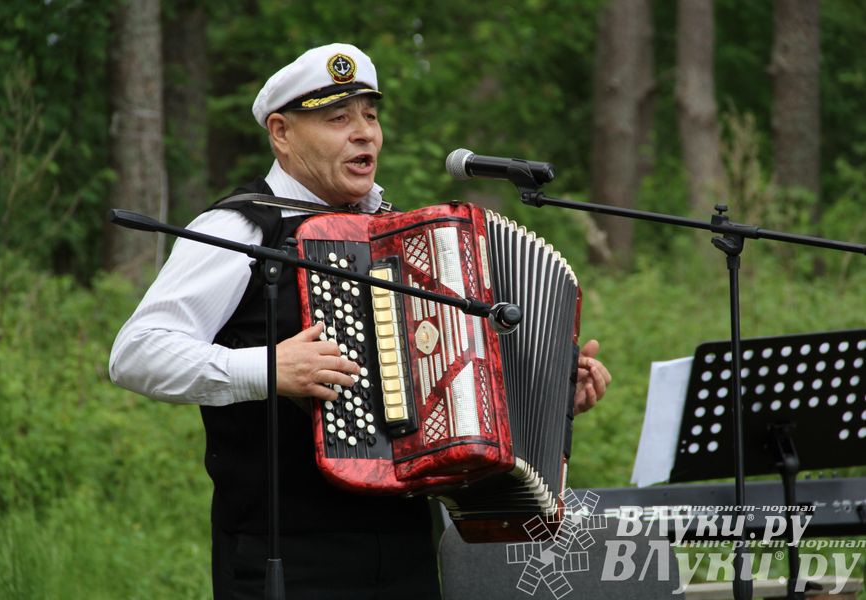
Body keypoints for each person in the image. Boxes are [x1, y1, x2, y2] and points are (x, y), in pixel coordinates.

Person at [109, 42, 611, 600]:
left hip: (406, 547)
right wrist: (267, 368)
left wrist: (548, 392)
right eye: (337, 118)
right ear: (281, 133)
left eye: (370, 116)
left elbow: (454, 385)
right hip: (287, 553)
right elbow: (137, 352)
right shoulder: (241, 228)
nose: (364, 132)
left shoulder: (404, 239)